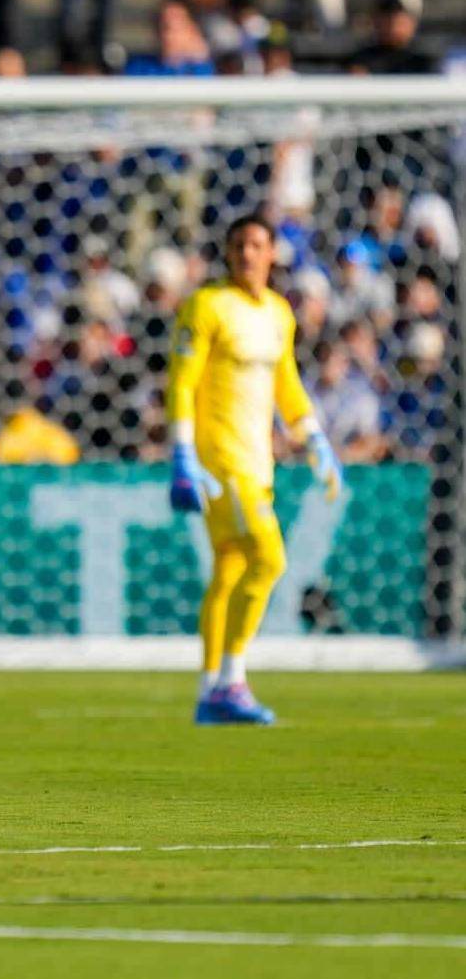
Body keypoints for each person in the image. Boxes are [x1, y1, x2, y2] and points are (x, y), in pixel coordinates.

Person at [166, 215, 342, 727]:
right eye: (239, 244)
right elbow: (182, 382)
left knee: (230, 568)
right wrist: (181, 453)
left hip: (258, 461)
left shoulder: (279, 313)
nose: (247, 253)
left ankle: (209, 690)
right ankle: (232, 682)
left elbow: (286, 384)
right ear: (227, 252)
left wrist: (315, 438)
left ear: (272, 254)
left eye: (256, 244)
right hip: (222, 461)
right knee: (269, 559)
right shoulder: (207, 305)